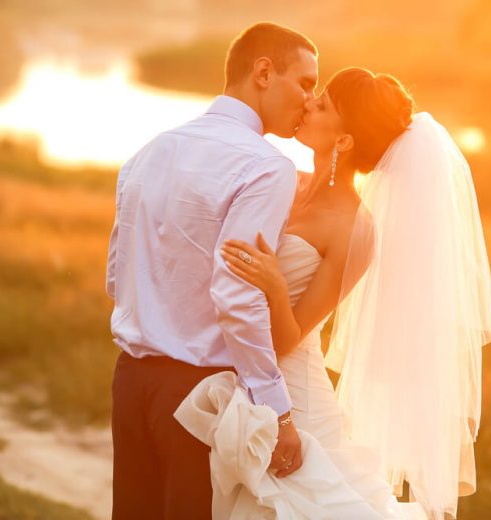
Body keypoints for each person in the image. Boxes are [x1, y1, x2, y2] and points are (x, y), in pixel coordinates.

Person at [183, 67, 491, 518]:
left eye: (324, 104)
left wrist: (274, 287)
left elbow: (290, 339)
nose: (309, 103)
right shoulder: (281, 182)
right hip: (244, 375)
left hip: (296, 399)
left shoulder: (356, 227)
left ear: (345, 141)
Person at [105, 22, 319, 519]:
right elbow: (237, 296)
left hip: (130, 382)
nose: (310, 100)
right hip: (199, 398)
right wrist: (278, 411)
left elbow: (117, 274)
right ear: (263, 72)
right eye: (305, 82)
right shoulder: (267, 167)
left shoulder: (151, 149)